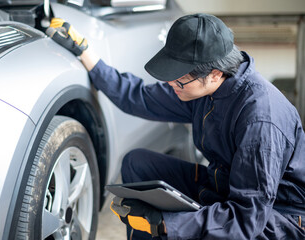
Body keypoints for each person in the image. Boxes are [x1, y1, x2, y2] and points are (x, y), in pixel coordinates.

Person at [46, 14, 305, 239]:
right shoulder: (202, 88)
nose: (172, 86)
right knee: (138, 164)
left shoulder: (260, 119)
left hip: (276, 217)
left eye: (179, 81)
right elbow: (137, 97)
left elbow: (246, 218)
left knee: (176, 226)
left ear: (215, 74)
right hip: (224, 189)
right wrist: (85, 52)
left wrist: (165, 225)